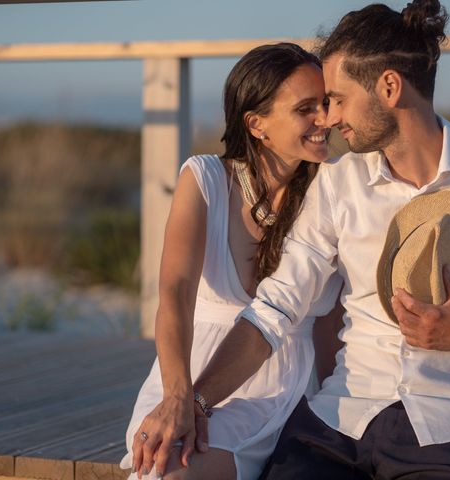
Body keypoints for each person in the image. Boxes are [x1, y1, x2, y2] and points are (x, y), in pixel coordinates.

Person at [188, 2, 450, 479]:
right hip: (338, 422)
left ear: (390, 87)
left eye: (336, 98)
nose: (329, 118)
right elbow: (275, 308)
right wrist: (194, 402)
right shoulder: (336, 183)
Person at [119, 42, 342, 480]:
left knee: (176, 471)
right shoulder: (204, 179)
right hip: (189, 371)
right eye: (306, 108)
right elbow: (175, 293)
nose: (325, 120)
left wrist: (340, 409)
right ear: (257, 124)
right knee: (161, 466)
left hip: (283, 384)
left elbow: (331, 320)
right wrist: (178, 396)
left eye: (326, 103)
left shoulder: (334, 191)